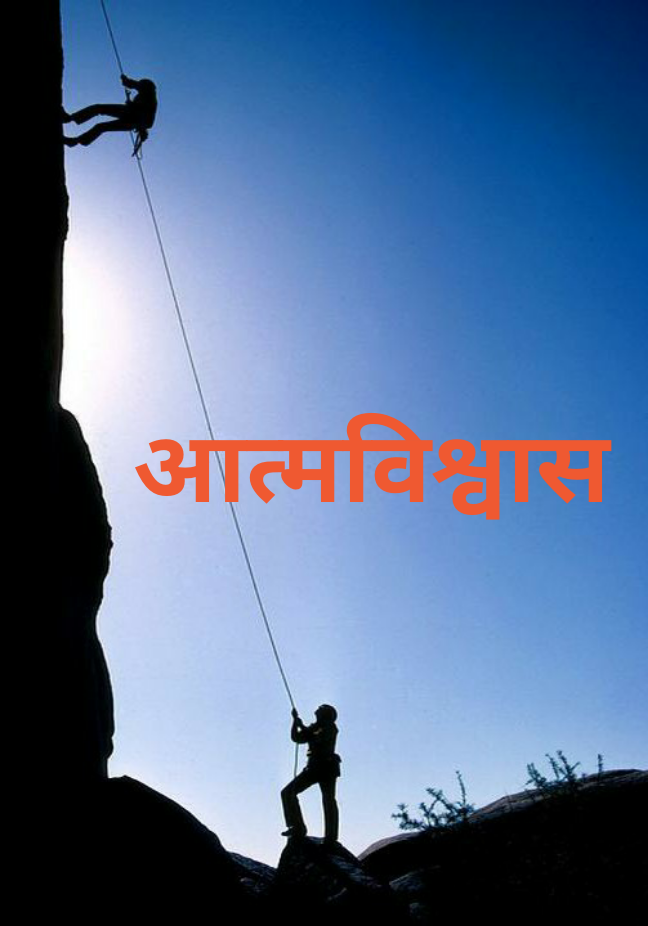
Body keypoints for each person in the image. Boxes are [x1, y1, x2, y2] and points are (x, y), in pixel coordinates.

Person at [281, 704, 341, 843]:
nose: (316, 710)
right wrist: (295, 723)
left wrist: (302, 726)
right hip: (314, 767)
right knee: (288, 793)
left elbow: (314, 738)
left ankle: (331, 837)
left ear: (325, 715)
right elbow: (297, 738)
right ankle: (297, 827)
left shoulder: (330, 727)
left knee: (328, 800)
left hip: (326, 768)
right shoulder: (315, 727)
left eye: (320, 709)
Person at [63, 74, 157, 154]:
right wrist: (126, 82)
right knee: (100, 123)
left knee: (99, 113)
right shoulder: (146, 94)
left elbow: (148, 121)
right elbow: (133, 86)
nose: (139, 86)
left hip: (131, 117)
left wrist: (126, 81)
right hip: (130, 117)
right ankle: (75, 138)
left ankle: (72, 125)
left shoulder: (150, 96)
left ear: (147, 87)